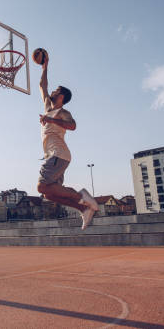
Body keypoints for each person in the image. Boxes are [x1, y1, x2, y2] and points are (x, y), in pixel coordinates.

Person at [36, 55, 99, 230]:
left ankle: (82, 195)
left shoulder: (63, 113)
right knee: (49, 194)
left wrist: (52, 121)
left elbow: (73, 126)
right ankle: (83, 209)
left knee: (41, 186)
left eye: (56, 90)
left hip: (59, 154)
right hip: (55, 156)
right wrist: (45, 66)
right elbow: (42, 85)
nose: (52, 92)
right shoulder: (48, 106)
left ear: (61, 96)